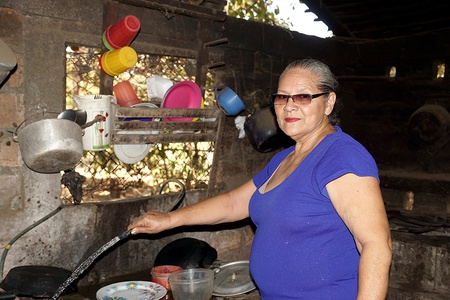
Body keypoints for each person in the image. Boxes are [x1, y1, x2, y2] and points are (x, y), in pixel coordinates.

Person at [128, 58, 392, 299]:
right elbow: (234, 203)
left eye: (303, 96)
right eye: (282, 97)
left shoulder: (341, 155)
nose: (289, 106)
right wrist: (169, 220)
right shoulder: (284, 158)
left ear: (329, 102)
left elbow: (376, 245)